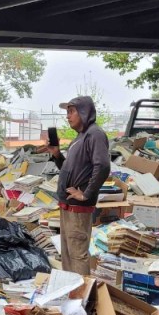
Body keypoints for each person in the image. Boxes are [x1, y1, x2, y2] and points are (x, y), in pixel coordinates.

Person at [43, 96, 110, 276]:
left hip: (78, 208)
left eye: (71, 111)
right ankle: (71, 295)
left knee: (77, 254)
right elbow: (68, 169)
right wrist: (57, 155)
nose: (68, 116)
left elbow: (102, 166)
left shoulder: (94, 134)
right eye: (67, 112)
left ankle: (84, 300)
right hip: (68, 206)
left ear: (84, 112)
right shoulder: (80, 138)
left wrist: (86, 194)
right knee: (68, 254)